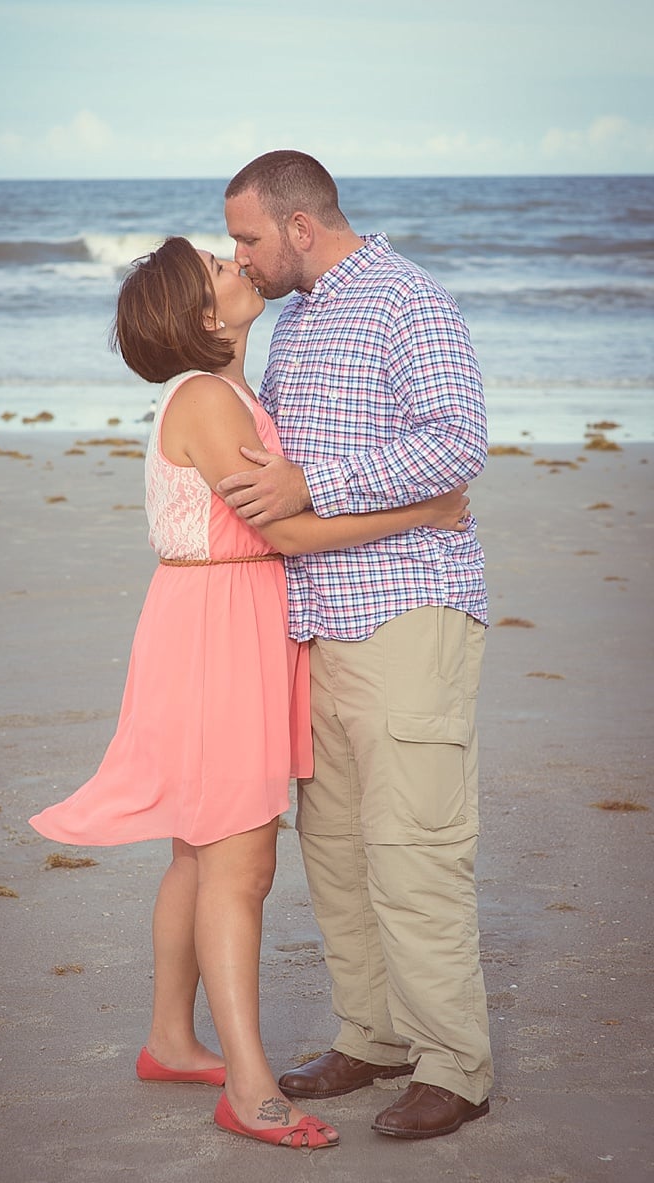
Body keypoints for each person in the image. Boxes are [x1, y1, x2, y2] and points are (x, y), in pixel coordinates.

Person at [29, 235, 470, 1150]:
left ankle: (168, 1039)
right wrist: (427, 511)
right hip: (218, 634)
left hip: (217, 625)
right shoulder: (205, 397)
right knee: (240, 866)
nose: (241, 270)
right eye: (222, 271)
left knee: (199, 854)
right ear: (203, 316)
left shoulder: (231, 389)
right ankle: (251, 1086)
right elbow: (295, 530)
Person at [216, 150, 490, 1140]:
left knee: (414, 849)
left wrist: (315, 483)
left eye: (246, 236)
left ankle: (454, 1064)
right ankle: (369, 1036)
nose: (236, 254)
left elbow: (457, 439)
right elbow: (270, 459)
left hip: (409, 613)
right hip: (314, 625)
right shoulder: (296, 317)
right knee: (334, 854)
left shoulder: (407, 299)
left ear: (298, 225)